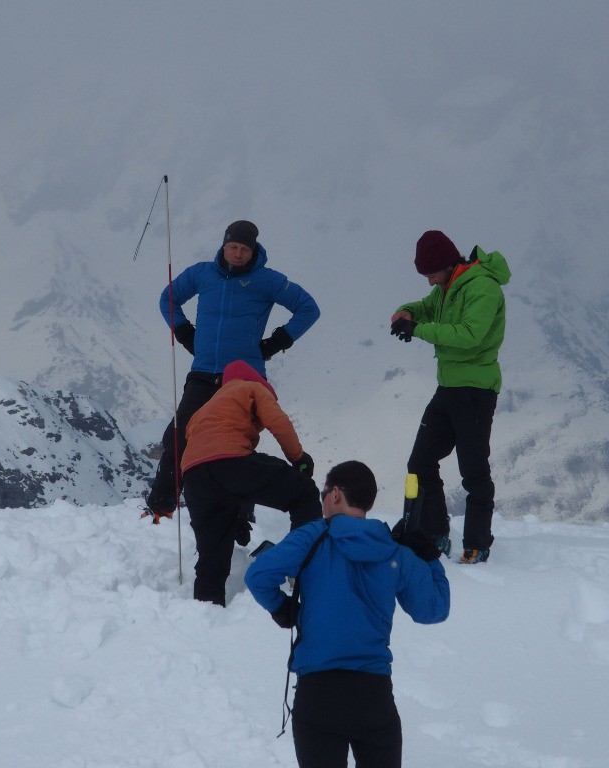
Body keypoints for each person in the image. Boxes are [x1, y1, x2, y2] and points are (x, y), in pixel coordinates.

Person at [245, 460, 450, 768]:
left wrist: (282, 608)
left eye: (323, 493)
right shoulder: (395, 551)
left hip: (318, 695)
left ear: (336, 494)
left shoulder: (312, 537)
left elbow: (258, 576)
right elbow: (434, 609)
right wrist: (427, 556)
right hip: (374, 698)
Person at [143, 219, 320, 523]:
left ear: (254, 251)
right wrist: (184, 333)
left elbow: (308, 308)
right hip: (203, 372)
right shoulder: (202, 273)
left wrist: (276, 343)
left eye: (244, 249)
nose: (238, 254)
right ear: (224, 246)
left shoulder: (267, 280)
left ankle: (241, 519)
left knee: (236, 445)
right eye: (233, 247)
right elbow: (167, 298)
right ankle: (161, 508)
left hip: (243, 379)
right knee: (177, 436)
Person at [389, 230, 510, 564]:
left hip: (476, 390)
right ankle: (435, 533)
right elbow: (423, 307)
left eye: (431, 274)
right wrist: (405, 313)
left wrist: (417, 330)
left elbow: (471, 335)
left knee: (473, 470)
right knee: (420, 462)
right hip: (448, 388)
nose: (429, 281)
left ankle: (477, 544)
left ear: (447, 264)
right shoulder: (447, 287)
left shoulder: (482, 287)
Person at [181, 359, 322, 606]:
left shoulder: (205, 409)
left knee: (212, 555)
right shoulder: (250, 388)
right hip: (230, 459)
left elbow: (209, 464)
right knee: (304, 494)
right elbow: (279, 423)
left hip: (193, 474)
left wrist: (236, 518)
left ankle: (206, 611)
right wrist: (299, 458)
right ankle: (303, 566)